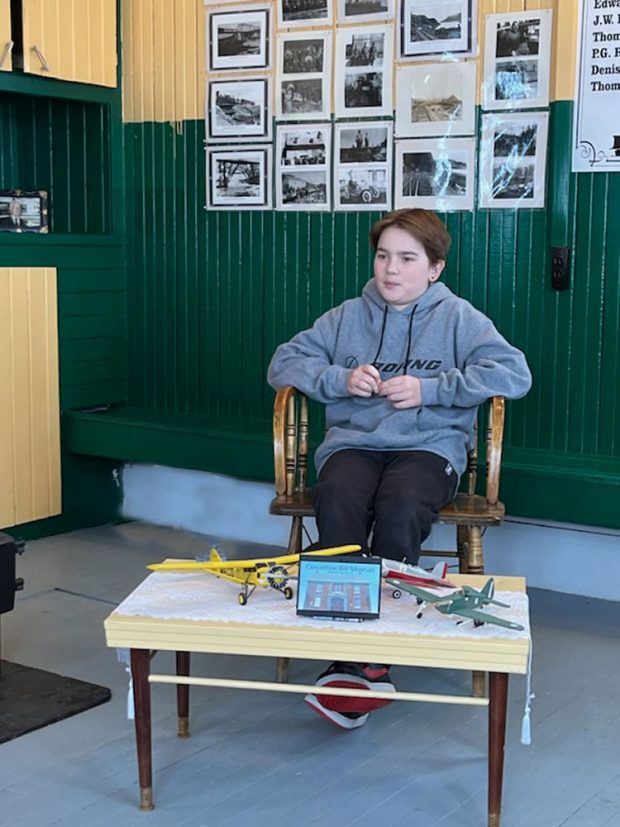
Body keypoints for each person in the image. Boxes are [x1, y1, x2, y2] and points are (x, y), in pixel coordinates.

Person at [267, 208, 532, 729]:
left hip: (430, 448)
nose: (391, 269)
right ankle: (351, 653)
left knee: (401, 504)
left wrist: (430, 390)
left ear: (434, 268)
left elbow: (512, 372)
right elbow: (284, 362)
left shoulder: (459, 318)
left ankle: (368, 658)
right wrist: (340, 380)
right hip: (354, 445)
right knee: (338, 497)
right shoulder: (346, 316)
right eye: (384, 255)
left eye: (407, 258)